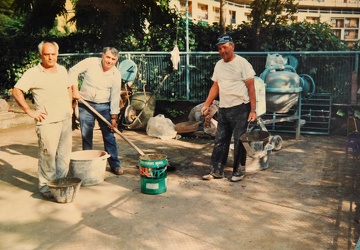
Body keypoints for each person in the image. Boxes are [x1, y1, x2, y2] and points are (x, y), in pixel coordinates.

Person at [12, 41, 73, 199]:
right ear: (40, 55)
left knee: (64, 156)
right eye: (47, 54)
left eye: (53, 54)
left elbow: (68, 87)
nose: (51, 57)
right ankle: (46, 188)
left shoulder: (62, 69)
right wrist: (28, 110)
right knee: (48, 156)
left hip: (65, 119)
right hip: (47, 122)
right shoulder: (33, 73)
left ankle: (60, 184)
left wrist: (70, 106)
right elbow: (16, 90)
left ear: (57, 54)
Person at [201, 34, 257, 182]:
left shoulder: (242, 63)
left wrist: (253, 110)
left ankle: (239, 172)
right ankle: (216, 171)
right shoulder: (219, 65)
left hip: (241, 108)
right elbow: (216, 86)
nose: (222, 51)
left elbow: (251, 88)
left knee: (239, 140)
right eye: (220, 48)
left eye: (225, 47)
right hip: (224, 108)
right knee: (220, 140)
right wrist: (207, 104)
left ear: (232, 46)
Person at [69, 47, 123, 175]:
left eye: (113, 59)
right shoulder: (91, 62)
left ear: (116, 60)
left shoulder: (116, 75)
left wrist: (114, 118)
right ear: (102, 55)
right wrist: (75, 89)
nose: (110, 61)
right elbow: (72, 71)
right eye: (108, 57)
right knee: (86, 134)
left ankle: (115, 164)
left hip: (104, 106)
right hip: (85, 104)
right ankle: (87, 163)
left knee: (109, 135)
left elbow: (115, 97)